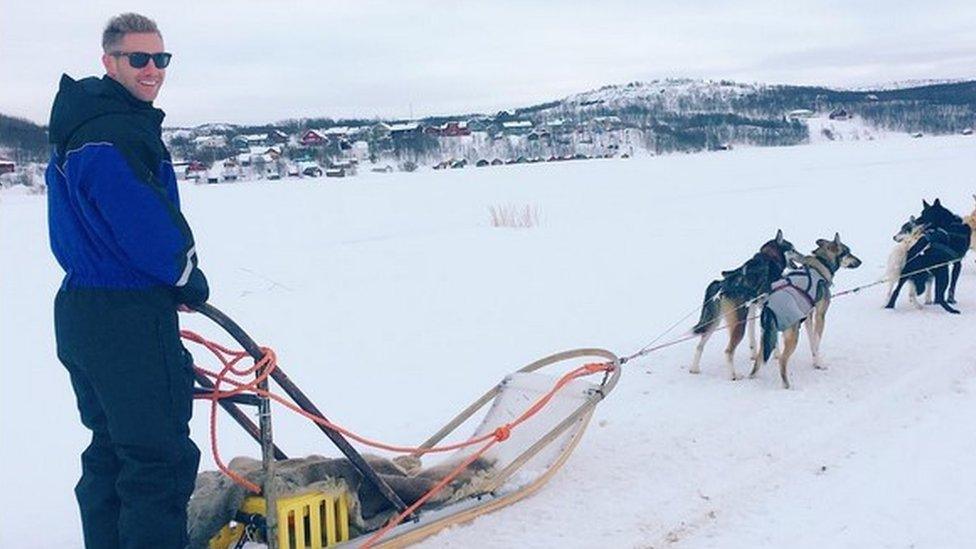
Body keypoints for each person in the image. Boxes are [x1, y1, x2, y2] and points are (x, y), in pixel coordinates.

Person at [45, 13, 208, 548]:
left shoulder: (83, 124)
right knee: (157, 459)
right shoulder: (112, 134)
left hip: (83, 310)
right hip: (124, 314)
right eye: (138, 58)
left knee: (114, 448)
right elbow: (141, 223)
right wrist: (184, 275)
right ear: (109, 61)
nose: (152, 70)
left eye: (160, 59)